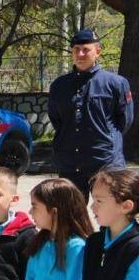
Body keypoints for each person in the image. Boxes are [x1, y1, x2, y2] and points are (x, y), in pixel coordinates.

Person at [48, 28, 134, 195]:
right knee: (71, 215)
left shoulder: (115, 83)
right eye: (76, 50)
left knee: (111, 214)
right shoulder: (59, 86)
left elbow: (125, 121)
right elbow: (57, 119)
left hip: (105, 162)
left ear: (98, 52)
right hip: (70, 163)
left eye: (86, 49)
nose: (80, 54)